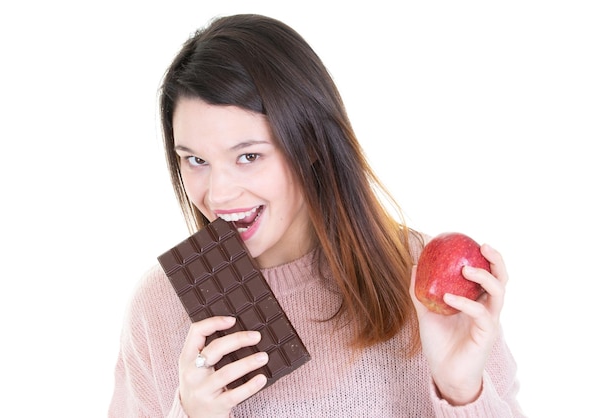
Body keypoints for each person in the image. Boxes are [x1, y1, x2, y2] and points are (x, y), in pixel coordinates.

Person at [109, 14, 524, 417]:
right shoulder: (160, 306)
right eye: (196, 160)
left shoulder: (418, 279)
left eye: (248, 156)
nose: (217, 193)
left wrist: (461, 393)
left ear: (310, 146)